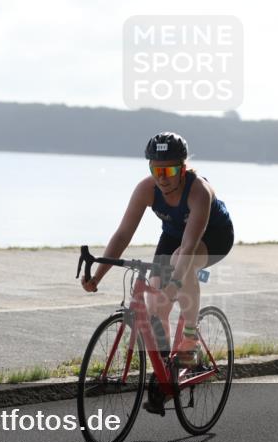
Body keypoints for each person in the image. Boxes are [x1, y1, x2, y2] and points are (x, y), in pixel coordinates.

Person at [81, 131, 234, 372]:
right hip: (173, 235)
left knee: (180, 263)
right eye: (156, 170)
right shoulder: (146, 189)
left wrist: (174, 284)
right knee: (155, 307)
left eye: (169, 170)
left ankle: (190, 340)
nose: (162, 178)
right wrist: (98, 276)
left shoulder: (199, 191)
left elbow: (188, 247)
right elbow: (122, 235)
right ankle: (165, 370)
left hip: (213, 237)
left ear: (182, 168)